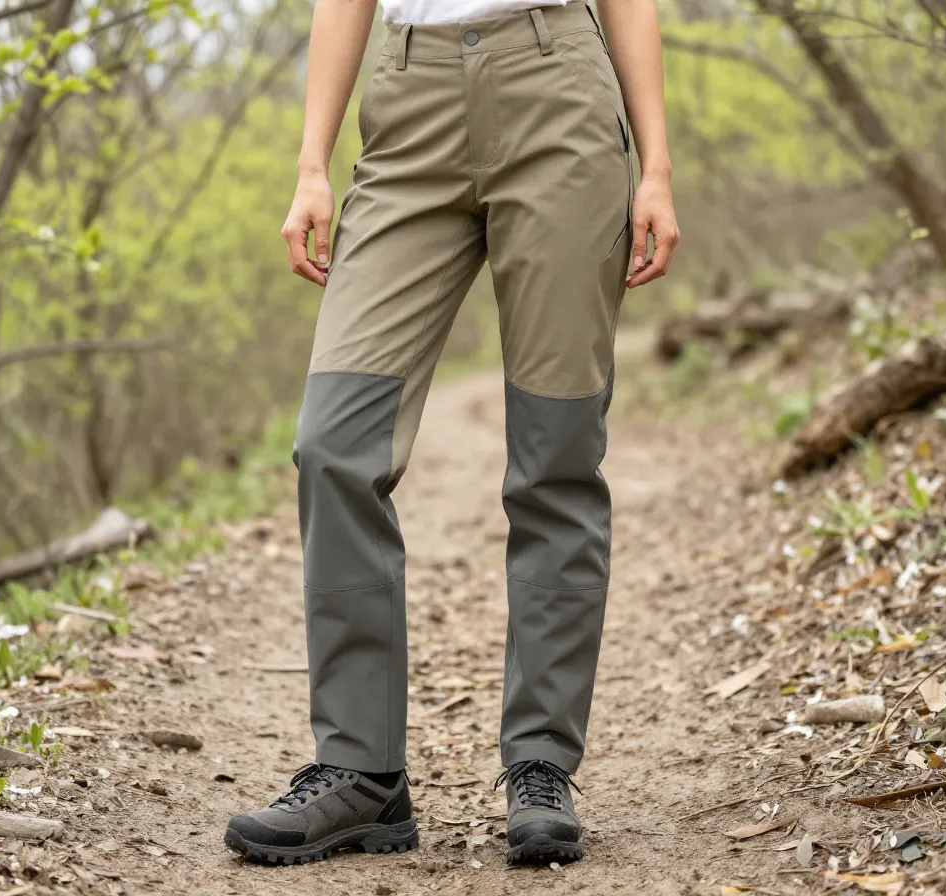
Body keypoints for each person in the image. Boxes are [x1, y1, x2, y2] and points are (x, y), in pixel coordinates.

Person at [225, 0, 678, 867]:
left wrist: (655, 165)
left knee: (557, 452)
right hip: (407, 107)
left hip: (559, 94)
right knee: (333, 444)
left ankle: (541, 762)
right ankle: (362, 776)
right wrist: (312, 162)